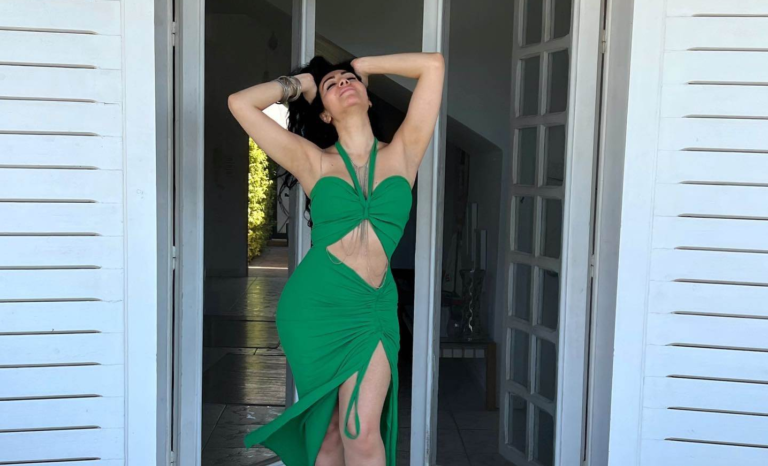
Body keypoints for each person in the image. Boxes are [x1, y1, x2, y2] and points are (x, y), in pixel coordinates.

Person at [228, 52, 445, 466]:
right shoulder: (314, 161)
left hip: (371, 310)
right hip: (314, 308)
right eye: (332, 85)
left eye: (350, 80)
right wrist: (301, 84)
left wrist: (363, 65)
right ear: (324, 114)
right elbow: (239, 103)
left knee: (359, 431)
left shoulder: (405, 151)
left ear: (368, 96)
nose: (343, 83)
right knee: (327, 433)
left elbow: (433, 66)